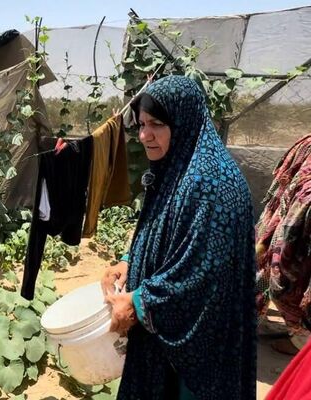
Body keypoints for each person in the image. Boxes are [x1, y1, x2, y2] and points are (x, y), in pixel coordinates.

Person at [100, 75, 257, 400]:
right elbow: (167, 231)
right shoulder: (178, 169)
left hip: (197, 357)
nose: (145, 135)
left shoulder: (210, 185)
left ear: (183, 121)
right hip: (166, 347)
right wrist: (130, 262)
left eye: (156, 124)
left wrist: (140, 302)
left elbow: (201, 277)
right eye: (141, 124)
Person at [255, 134, 311, 355]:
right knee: (266, 266)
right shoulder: (306, 144)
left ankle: (301, 340)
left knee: (280, 277)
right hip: (287, 217)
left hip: (297, 225)